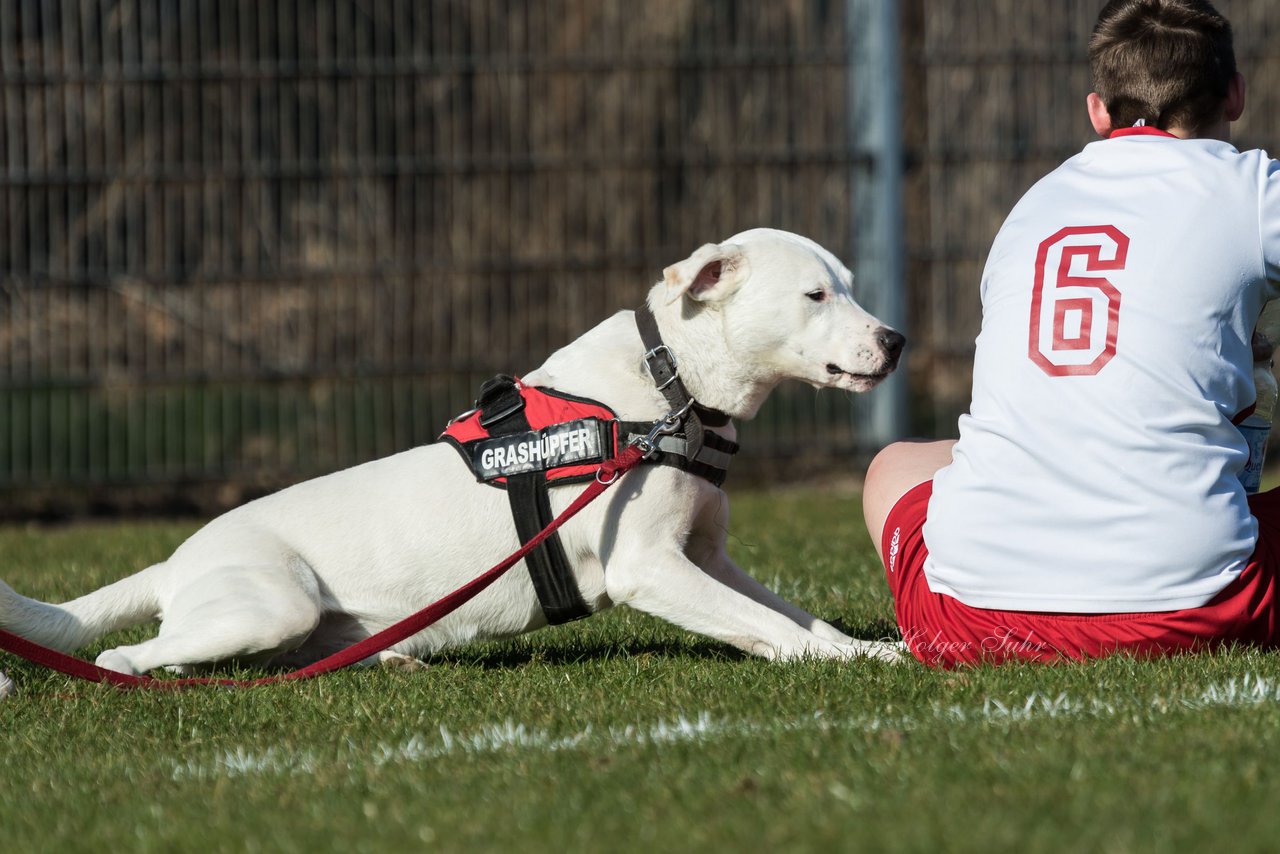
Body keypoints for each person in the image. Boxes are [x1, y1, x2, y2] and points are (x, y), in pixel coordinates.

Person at [862, 0, 1280, 667]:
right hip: (1191, 606)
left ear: (1097, 110)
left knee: (894, 467)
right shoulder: (1253, 189)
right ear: (1233, 93)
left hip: (965, 617)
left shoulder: (1033, 206)